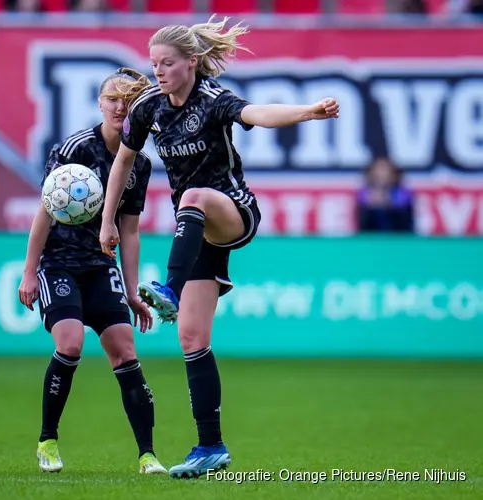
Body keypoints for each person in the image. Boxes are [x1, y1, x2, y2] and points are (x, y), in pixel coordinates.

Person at [98, 16, 340, 478]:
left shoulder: (212, 100)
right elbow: (123, 160)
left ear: (191, 63)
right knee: (192, 338)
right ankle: (211, 446)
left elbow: (258, 113)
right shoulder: (150, 107)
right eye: (154, 64)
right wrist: (107, 219)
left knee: (193, 197)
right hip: (196, 233)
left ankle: (167, 288)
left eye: (167, 63)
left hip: (232, 213)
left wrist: (308, 111)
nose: (159, 72)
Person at [18, 68, 166, 475]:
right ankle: (48, 440)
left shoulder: (141, 163)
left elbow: (131, 230)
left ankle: (147, 455)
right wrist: (30, 272)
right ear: (100, 103)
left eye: (131, 100)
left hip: (102, 266)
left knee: (125, 350)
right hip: (59, 263)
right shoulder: (75, 148)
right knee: (69, 345)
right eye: (113, 98)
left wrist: (132, 290)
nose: (121, 106)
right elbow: (45, 212)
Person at [357, 157, 414, 233]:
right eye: (378, 169)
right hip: (371, 235)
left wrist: (387, 201)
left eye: (385, 169)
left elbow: (404, 217)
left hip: (398, 235)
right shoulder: (364, 192)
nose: (382, 174)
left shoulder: (403, 192)